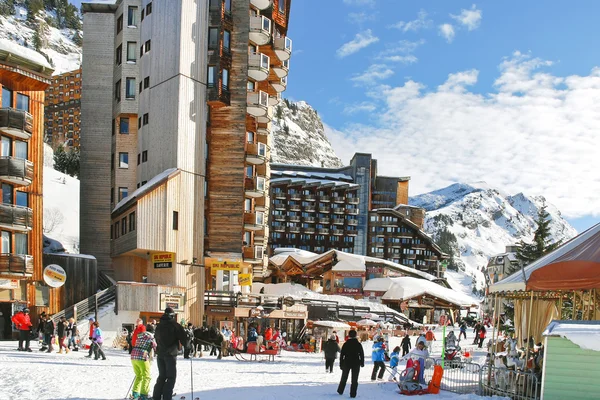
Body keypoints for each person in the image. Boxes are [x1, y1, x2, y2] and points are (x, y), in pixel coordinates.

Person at [152, 307, 187, 400]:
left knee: (162, 376)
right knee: (171, 377)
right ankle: (167, 397)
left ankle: (156, 397)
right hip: (170, 354)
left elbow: (156, 337)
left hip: (160, 354)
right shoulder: (175, 325)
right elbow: (184, 338)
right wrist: (188, 347)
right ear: (172, 316)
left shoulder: (159, 326)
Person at [131, 324, 157, 400]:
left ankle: (135, 394)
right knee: (147, 376)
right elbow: (155, 347)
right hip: (142, 356)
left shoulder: (141, 336)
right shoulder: (151, 337)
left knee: (138, 376)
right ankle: (143, 395)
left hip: (133, 356)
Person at [337, 330, 364, 398]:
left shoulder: (346, 344)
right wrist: (362, 362)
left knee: (344, 377)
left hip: (347, 362)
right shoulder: (358, 344)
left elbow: (342, 355)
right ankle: (353, 394)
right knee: (354, 379)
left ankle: (340, 390)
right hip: (356, 362)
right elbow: (361, 354)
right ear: (355, 335)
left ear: (349, 336)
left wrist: (341, 364)